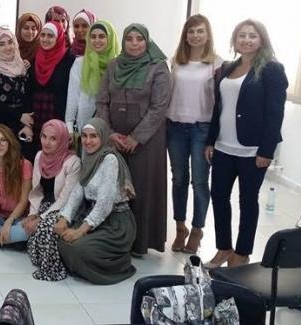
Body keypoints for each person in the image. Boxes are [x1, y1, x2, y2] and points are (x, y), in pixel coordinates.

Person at [204, 19, 287, 268]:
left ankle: (242, 253)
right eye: (242, 35)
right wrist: (211, 141)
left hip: (252, 150)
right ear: (235, 40)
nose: (247, 40)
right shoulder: (228, 68)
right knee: (219, 197)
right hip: (223, 146)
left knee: (247, 201)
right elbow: (218, 107)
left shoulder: (272, 69)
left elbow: (275, 113)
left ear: (262, 40)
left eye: (252, 35)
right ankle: (224, 249)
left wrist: (267, 150)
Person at [32, 118, 137, 284]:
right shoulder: (88, 156)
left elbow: (105, 204)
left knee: (77, 248)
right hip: (94, 218)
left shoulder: (109, 160)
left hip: (116, 224)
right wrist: (64, 218)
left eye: (93, 136)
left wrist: (80, 231)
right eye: (85, 136)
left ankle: (119, 264)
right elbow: (78, 190)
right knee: (60, 239)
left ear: (103, 137)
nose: (88, 141)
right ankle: (84, 265)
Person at [96, 24, 171, 255]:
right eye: (130, 38)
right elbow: (102, 101)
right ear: (123, 41)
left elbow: (159, 107)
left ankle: (139, 242)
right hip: (115, 137)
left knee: (141, 188)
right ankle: (113, 238)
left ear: (147, 42)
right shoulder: (114, 65)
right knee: (113, 186)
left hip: (147, 141)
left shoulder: (158, 67)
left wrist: (136, 137)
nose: (135, 43)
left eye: (140, 39)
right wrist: (109, 132)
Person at [167, 14, 223, 254]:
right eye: (191, 31)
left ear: (207, 34)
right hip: (175, 127)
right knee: (179, 179)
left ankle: (197, 230)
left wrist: (214, 138)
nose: (195, 35)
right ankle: (180, 228)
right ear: (185, 35)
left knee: (199, 182)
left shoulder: (217, 64)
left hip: (202, 128)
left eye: (200, 31)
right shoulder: (176, 62)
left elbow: (220, 103)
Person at [24, 120, 82, 270]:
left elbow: (65, 198)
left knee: (42, 228)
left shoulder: (73, 162)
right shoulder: (39, 156)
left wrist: (40, 219)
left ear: (62, 140)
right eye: (44, 136)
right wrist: (33, 213)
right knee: (24, 227)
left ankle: (52, 268)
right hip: (44, 205)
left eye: (53, 139)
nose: (46, 142)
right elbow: (36, 191)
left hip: (64, 209)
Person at [27, 22, 75, 154]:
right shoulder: (35, 58)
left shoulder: (69, 60)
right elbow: (29, 90)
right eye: (42, 35)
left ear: (58, 37)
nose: (45, 39)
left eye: (50, 36)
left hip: (57, 113)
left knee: (56, 152)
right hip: (36, 115)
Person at [65, 20, 119, 134]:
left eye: (102, 36)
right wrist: (69, 126)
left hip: (114, 126)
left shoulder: (118, 64)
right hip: (86, 124)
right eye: (93, 37)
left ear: (110, 39)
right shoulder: (80, 63)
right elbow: (73, 96)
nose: (97, 40)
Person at [0, 29, 31, 145]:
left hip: (20, 124)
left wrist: (28, 125)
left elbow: (28, 96)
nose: (8, 47)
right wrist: (19, 116)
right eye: (2, 44)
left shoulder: (22, 66)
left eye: (10, 42)